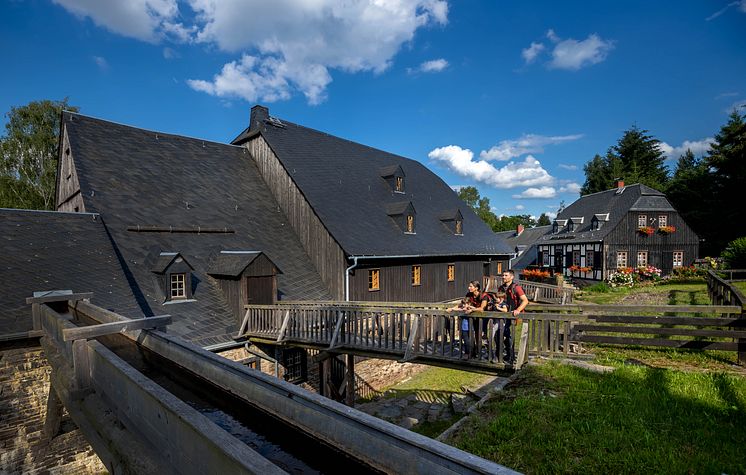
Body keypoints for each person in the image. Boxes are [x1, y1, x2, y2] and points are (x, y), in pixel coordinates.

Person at [497, 269, 528, 363]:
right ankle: (508, 354)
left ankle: (511, 356)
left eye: (506, 275)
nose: (503, 277)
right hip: (503, 314)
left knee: (509, 335)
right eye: (503, 275)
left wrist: (518, 310)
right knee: (503, 334)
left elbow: (525, 300)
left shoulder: (516, 287)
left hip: (513, 314)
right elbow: (500, 299)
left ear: (512, 277)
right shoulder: (501, 288)